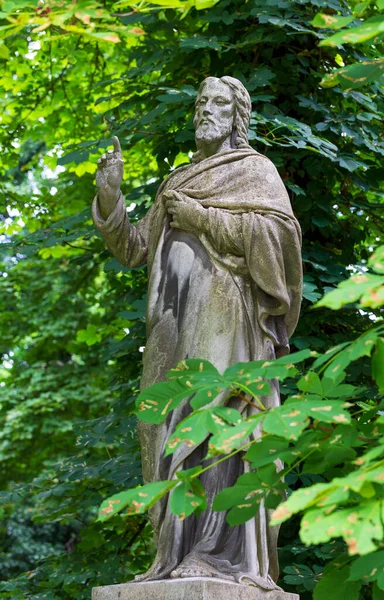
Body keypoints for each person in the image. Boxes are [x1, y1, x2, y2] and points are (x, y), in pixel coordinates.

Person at [92, 76, 302, 590]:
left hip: (228, 315)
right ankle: (175, 548)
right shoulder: (176, 181)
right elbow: (136, 247)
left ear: (237, 116)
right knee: (165, 429)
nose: (207, 110)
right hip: (173, 325)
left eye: (219, 103)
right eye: (202, 102)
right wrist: (110, 198)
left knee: (211, 421)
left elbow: (278, 240)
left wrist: (202, 219)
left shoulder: (255, 171)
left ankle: (215, 552)